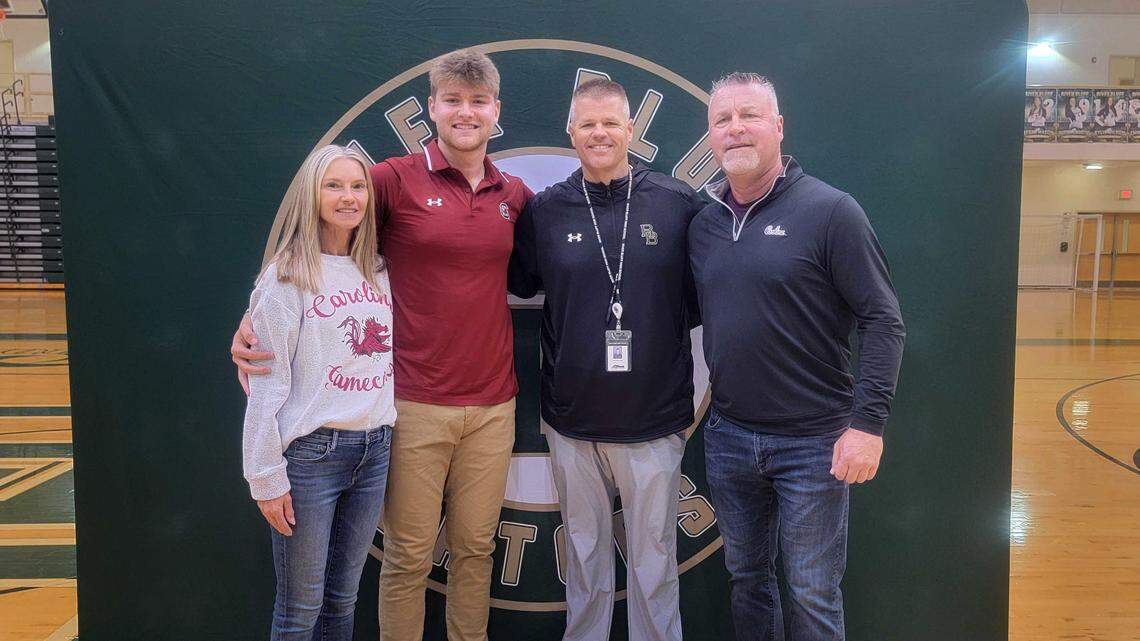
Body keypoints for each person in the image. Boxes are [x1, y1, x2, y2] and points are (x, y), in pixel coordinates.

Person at [232, 49, 532, 641]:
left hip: (495, 405)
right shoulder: (390, 178)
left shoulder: (515, 193)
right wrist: (254, 318)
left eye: (477, 102)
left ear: (496, 111)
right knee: (409, 556)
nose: (465, 113)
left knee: (475, 551)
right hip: (413, 402)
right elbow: (315, 222)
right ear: (433, 108)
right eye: (453, 100)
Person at [687, 73, 905, 641]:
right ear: (710, 135)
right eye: (722, 120)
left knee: (811, 592)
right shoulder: (704, 224)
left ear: (778, 127)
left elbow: (884, 321)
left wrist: (868, 425)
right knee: (747, 580)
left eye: (749, 116)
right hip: (729, 436)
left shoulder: (831, 211)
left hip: (815, 442)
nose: (736, 129)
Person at [509, 79, 703, 641]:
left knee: (653, 566)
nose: (600, 133)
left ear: (631, 130)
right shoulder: (545, 212)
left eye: (611, 123)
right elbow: (507, 282)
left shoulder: (675, 204)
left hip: (654, 420)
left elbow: (701, 298)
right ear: (570, 131)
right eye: (588, 123)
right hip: (572, 421)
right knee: (584, 562)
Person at [242, 144, 396, 641]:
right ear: (312, 193)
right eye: (334, 185)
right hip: (311, 456)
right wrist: (265, 475)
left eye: (357, 187)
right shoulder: (287, 276)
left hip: (374, 450)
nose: (348, 197)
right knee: (299, 608)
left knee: (343, 600)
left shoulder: (378, 269)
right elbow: (266, 384)